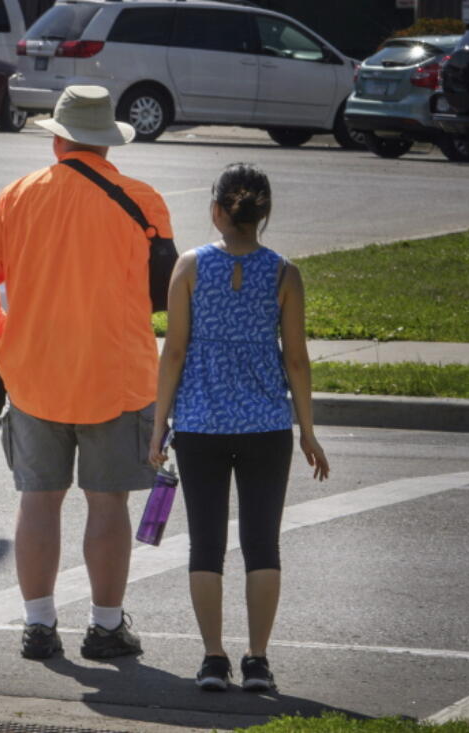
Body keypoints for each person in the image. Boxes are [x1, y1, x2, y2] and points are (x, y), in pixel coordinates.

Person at [0, 85, 172, 661]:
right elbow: (162, 293)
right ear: (107, 141)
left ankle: (38, 625)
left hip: (34, 375)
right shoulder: (144, 200)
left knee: (39, 500)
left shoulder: (18, 196)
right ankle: (105, 628)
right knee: (108, 505)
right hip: (117, 375)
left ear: (57, 138)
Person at [147, 163, 330, 692]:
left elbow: (174, 350)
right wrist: (308, 430)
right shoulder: (283, 274)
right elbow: (296, 359)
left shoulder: (189, 267)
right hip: (267, 426)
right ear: (264, 213)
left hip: (201, 423)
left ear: (216, 210)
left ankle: (211, 660)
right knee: (261, 544)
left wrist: (160, 425)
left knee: (205, 543)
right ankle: (257, 661)